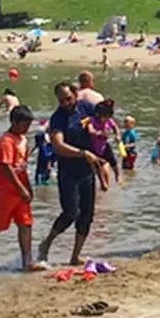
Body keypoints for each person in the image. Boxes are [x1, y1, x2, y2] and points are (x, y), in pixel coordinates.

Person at [41, 82, 110, 266]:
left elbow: (104, 121)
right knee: (71, 212)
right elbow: (58, 145)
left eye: (69, 99)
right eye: (61, 100)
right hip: (68, 170)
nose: (65, 103)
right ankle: (46, 243)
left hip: (88, 169)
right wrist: (82, 153)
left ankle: (75, 255)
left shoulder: (86, 108)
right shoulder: (58, 117)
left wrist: (104, 144)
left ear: (76, 95)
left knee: (87, 214)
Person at [0, 105, 43, 272]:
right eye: (23, 125)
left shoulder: (23, 140)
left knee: (26, 224)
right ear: (14, 122)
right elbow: (6, 168)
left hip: (20, 188)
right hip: (4, 189)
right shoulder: (6, 141)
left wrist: (28, 187)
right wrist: (21, 189)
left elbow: (23, 167)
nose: (26, 129)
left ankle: (27, 261)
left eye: (28, 125)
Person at [85, 99, 122, 181]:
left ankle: (117, 175)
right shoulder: (92, 120)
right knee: (97, 164)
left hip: (104, 145)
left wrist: (118, 135)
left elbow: (115, 127)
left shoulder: (109, 121)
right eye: (103, 116)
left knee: (113, 161)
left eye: (107, 117)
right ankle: (102, 182)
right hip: (93, 146)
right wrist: (98, 133)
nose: (104, 119)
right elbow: (90, 130)